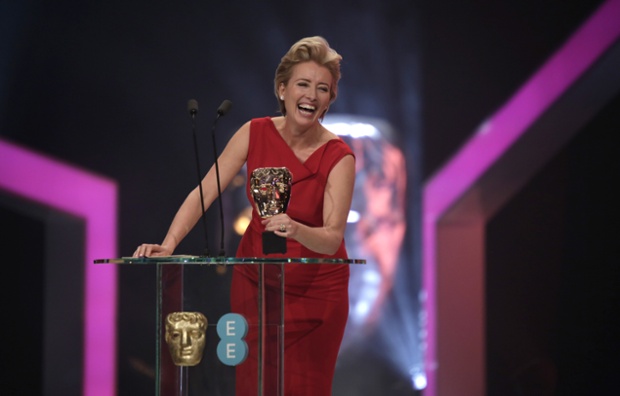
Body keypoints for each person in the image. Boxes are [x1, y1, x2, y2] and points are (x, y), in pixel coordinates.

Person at [134, 36, 356, 395]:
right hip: (255, 282)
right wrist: (169, 244)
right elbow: (204, 193)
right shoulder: (254, 133)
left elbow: (331, 237)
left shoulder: (339, 156)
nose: (312, 96)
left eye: (322, 89)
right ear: (282, 89)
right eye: (303, 84)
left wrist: (296, 228)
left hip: (316, 293)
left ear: (330, 99)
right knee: (253, 385)